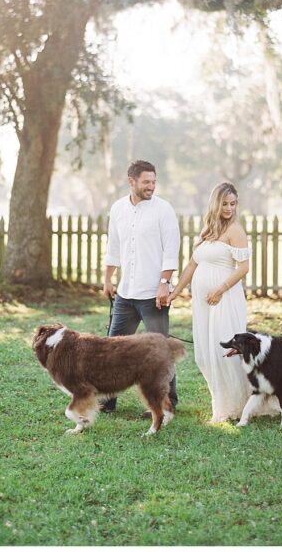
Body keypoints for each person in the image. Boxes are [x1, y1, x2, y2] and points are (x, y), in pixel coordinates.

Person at [169, 182, 275, 424]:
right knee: (205, 355)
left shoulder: (235, 231)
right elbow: (192, 265)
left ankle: (240, 405)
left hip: (225, 299)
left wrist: (220, 289)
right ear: (215, 203)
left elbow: (244, 267)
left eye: (233, 203)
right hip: (203, 303)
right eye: (225, 203)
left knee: (226, 352)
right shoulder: (207, 230)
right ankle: (224, 403)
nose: (229, 208)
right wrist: (175, 292)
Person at [101, 160, 181, 415]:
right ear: (131, 181)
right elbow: (113, 247)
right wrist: (108, 279)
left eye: (154, 182)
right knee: (112, 348)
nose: (151, 186)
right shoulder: (117, 209)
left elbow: (171, 250)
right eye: (146, 182)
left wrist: (164, 284)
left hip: (153, 295)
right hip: (125, 293)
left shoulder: (164, 210)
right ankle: (108, 400)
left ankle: (168, 401)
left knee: (159, 352)